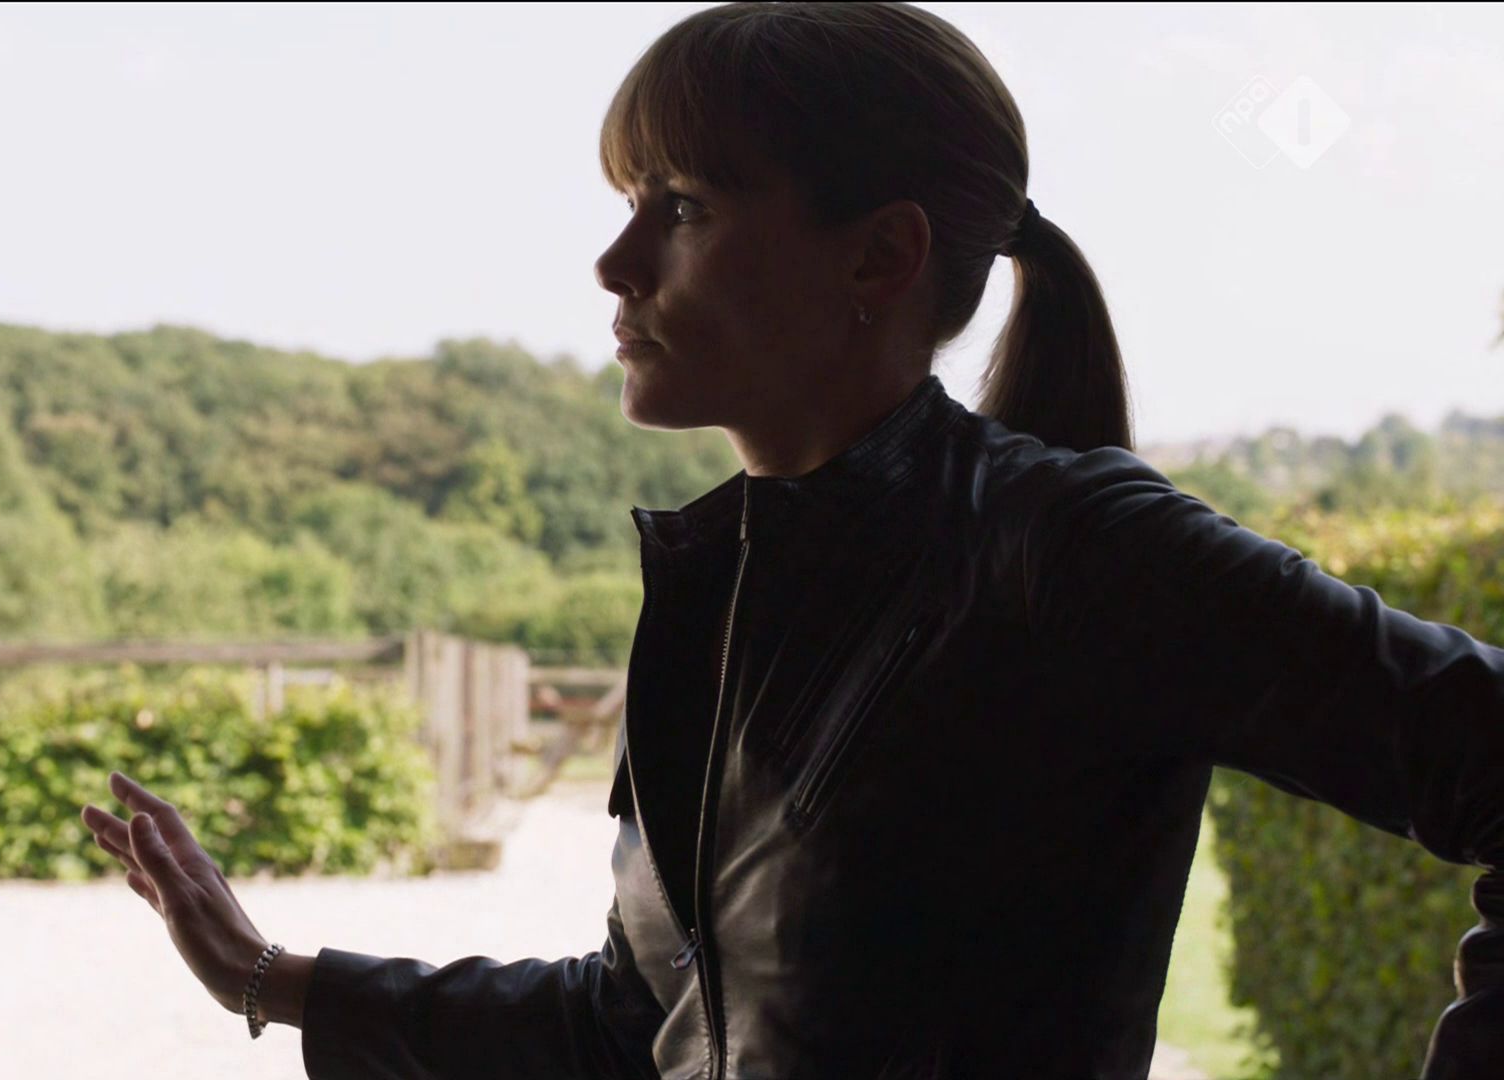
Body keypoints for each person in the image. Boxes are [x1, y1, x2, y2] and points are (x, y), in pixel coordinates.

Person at [80, 3, 1504, 1077]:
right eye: (629, 208)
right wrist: (277, 979)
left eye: (682, 209)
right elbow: (643, 1020)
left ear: (879, 256)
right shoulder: (718, 591)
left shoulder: (1074, 548)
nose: (615, 265)